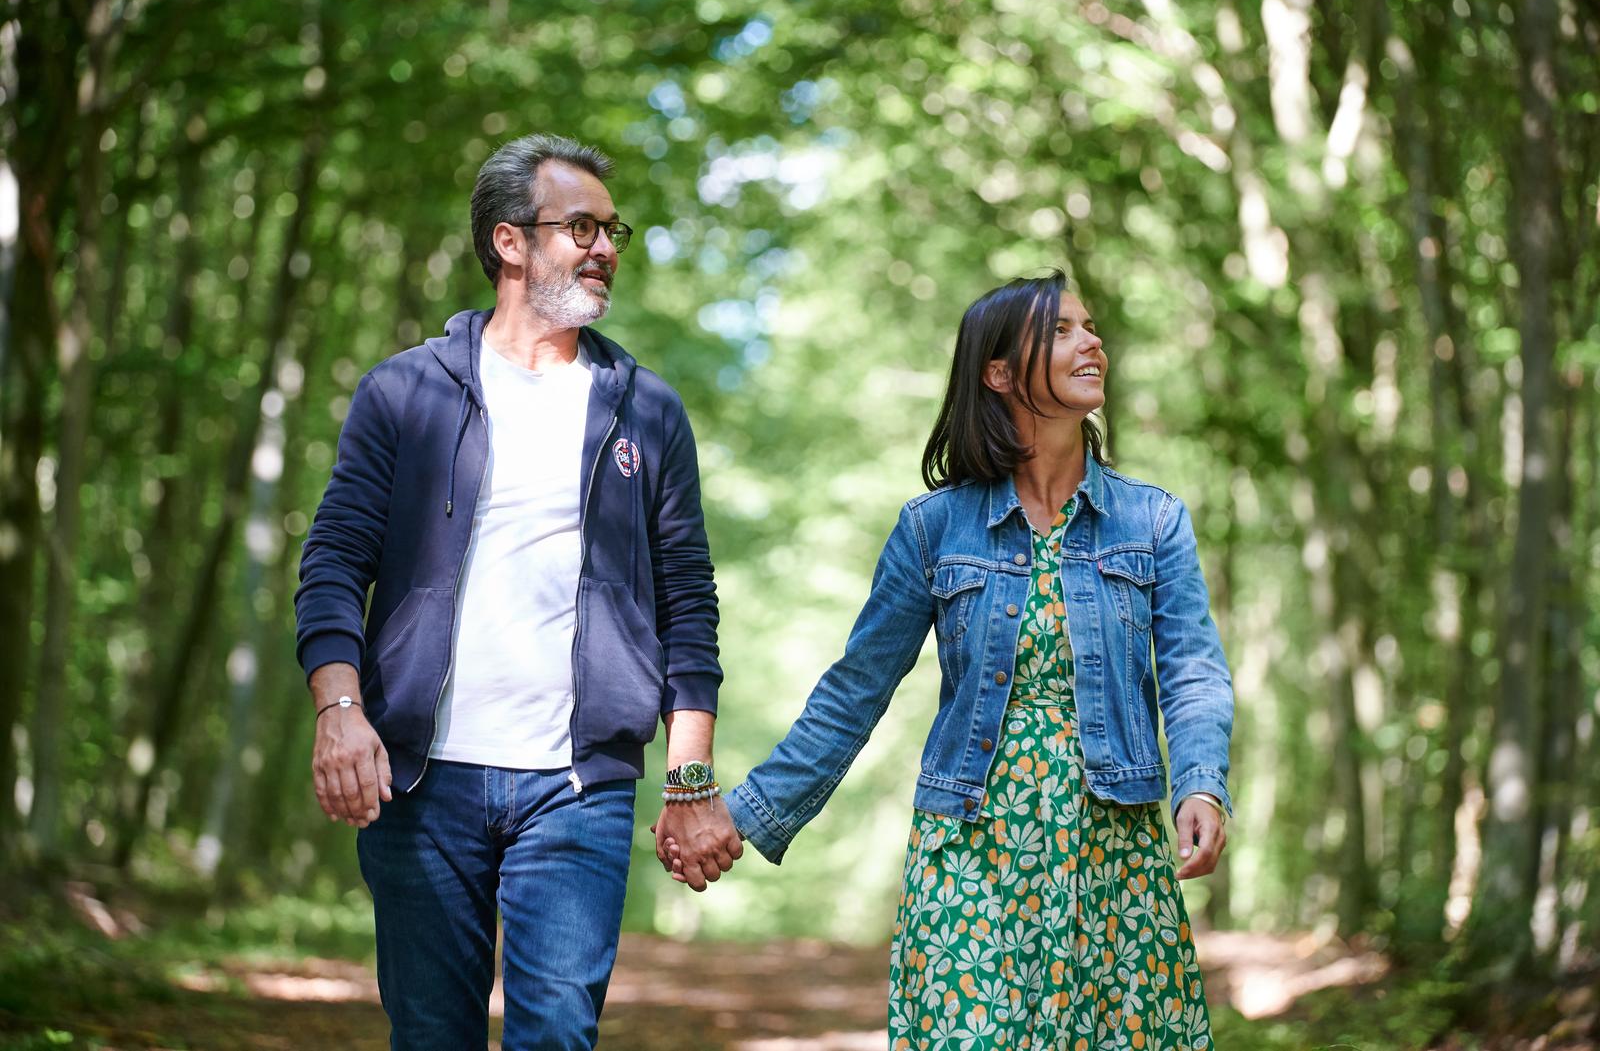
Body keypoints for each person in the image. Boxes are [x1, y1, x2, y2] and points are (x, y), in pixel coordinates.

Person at [294, 132, 743, 1051]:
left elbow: (688, 606)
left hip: (578, 787)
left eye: (613, 228)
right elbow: (335, 562)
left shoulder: (644, 409)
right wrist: (340, 707)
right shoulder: (404, 393)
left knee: (558, 1038)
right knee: (430, 1036)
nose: (606, 246)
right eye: (581, 226)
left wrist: (690, 775)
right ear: (509, 242)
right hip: (420, 779)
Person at [714, 270, 1233, 1049]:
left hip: (1113, 848)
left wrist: (1201, 781)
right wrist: (742, 811)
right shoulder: (935, 528)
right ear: (997, 371)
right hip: (971, 849)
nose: (1091, 341)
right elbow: (857, 688)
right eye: (1061, 329)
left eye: (1090, 327)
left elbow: (1193, 669)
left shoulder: (1153, 521)